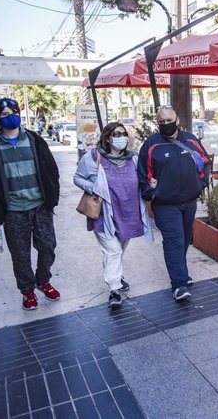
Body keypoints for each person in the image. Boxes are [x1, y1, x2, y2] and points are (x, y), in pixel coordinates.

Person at [0, 97, 60, 311]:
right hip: (13, 211)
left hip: (40, 206)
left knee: (48, 247)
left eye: (14, 112)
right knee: (20, 254)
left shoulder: (34, 139)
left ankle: (43, 281)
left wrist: (52, 198)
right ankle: (28, 291)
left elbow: (51, 169)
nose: (11, 117)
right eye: (5, 115)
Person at [74, 122, 154, 309]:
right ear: (108, 137)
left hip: (128, 213)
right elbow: (77, 177)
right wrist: (93, 187)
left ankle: (117, 277)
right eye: (116, 134)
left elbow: (143, 180)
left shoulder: (133, 159)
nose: (121, 137)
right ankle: (114, 289)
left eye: (123, 134)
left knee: (119, 249)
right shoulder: (94, 157)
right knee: (113, 251)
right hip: (105, 214)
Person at [137, 105, 210, 302]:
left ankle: (182, 272)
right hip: (165, 205)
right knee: (174, 240)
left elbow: (204, 162)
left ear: (177, 120)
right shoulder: (151, 144)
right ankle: (178, 284)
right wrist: (153, 193)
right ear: (158, 123)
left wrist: (201, 183)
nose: (166, 124)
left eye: (169, 120)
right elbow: (143, 173)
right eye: (162, 122)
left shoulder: (191, 140)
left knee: (185, 239)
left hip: (189, 201)